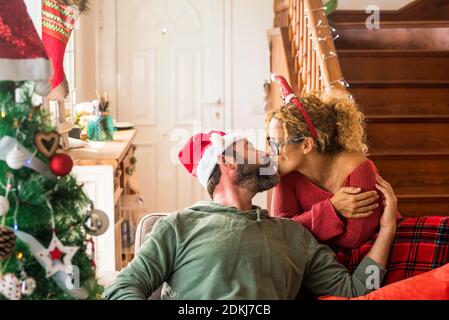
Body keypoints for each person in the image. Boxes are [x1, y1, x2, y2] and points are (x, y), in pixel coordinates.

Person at [104, 130, 397, 300]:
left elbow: (356, 290)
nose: (267, 154)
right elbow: (123, 287)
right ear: (226, 161)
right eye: (251, 147)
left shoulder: (293, 234)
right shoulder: (180, 226)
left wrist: (387, 230)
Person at [266, 74, 449, 284]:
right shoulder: (284, 173)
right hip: (331, 260)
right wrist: (332, 208)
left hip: (379, 245)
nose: (269, 150)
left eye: (276, 143)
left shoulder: (357, 167)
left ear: (306, 145)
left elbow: (354, 238)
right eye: (268, 140)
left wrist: (306, 227)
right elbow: (282, 232)